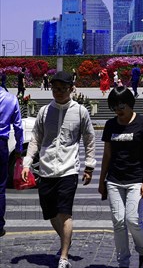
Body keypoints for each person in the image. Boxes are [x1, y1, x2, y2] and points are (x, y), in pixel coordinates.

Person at [21, 71, 96, 268]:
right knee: (50, 213)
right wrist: (27, 162)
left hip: (68, 169)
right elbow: (36, 137)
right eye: (55, 88)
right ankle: (66, 237)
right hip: (45, 169)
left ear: (71, 89)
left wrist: (89, 166)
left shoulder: (80, 112)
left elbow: (89, 139)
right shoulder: (45, 111)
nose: (58, 92)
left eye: (62, 88)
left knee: (65, 213)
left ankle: (64, 256)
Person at [98, 86, 143, 268]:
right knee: (118, 223)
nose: (118, 111)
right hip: (114, 181)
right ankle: (123, 262)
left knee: (132, 220)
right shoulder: (110, 125)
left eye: (121, 106)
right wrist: (101, 182)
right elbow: (107, 155)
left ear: (130, 104)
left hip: (136, 180)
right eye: (114, 107)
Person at [0, 85, 24, 237]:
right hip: (1, 144)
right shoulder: (11, 99)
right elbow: (18, 127)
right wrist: (19, 148)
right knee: (0, 186)